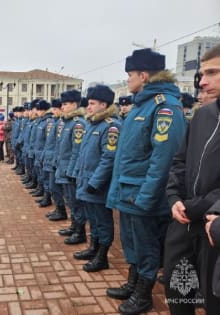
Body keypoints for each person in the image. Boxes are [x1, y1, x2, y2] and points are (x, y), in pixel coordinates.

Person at [105, 48, 187, 315]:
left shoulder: (165, 107)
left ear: (143, 75)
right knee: (131, 242)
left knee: (147, 247)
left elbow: (163, 161)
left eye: (129, 75)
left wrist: (147, 197)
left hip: (143, 195)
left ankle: (143, 295)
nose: (127, 80)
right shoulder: (142, 105)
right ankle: (133, 282)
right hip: (130, 192)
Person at [164, 44, 220, 315]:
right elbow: (180, 162)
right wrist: (174, 198)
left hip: (212, 227)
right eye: (202, 73)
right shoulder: (202, 116)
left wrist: (208, 204)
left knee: (212, 299)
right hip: (184, 220)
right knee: (178, 293)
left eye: (213, 72)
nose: (203, 81)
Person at [72, 85, 120, 273]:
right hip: (87, 181)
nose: (88, 107)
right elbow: (83, 154)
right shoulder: (93, 124)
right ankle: (93, 248)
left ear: (103, 104)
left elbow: (108, 158)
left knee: (103, 221)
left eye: (92, 103)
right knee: (93, 218)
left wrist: (95, 183)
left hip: (98, 185)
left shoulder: (111, 126)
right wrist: (78, 174)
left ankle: (102, 256)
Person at [54, 90, 88, 245]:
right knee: (70, 200)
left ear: (74, 105)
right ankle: (74, 226)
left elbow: (77, 150)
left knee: (75, 202)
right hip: (65, 169)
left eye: (66, 104)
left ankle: (80, 232)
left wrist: (72, 171)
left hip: (71, 171)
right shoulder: (67, 122)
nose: (62, 107)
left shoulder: (78, 123)